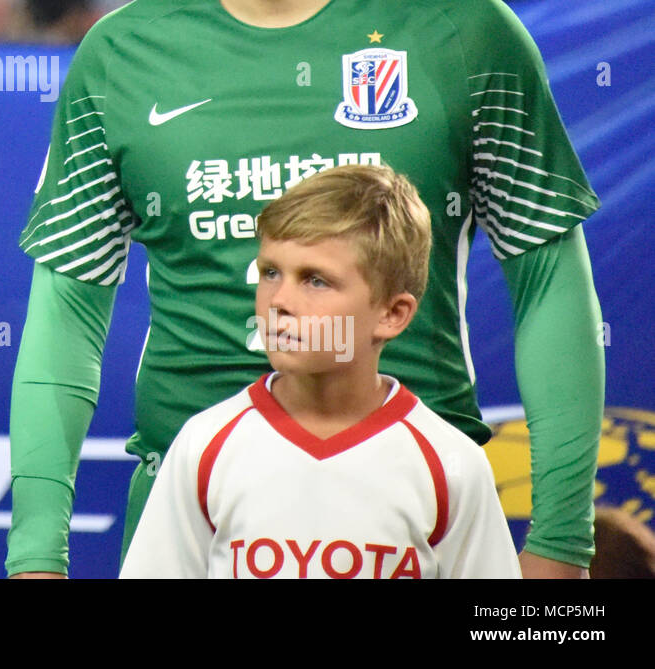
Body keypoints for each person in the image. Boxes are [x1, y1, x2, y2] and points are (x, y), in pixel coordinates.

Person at [8, 0, 601, 580]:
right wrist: (33, 556)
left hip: (414, 518)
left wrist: (560, 538)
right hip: (189, 522)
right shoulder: (118, 56)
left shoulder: (466, 36)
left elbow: (549, 277)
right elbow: (66, 309)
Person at [120, 165, 520, 579]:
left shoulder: (450, 464)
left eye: (315, 281)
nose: (280, 301)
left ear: (391, 313)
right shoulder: (205, 447)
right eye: (270, 273)